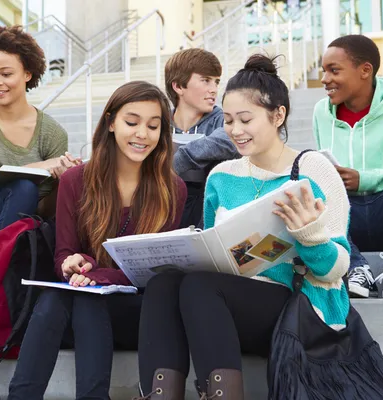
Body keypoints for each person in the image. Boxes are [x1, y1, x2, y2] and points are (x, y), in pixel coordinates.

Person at [137, 55, 350, 399]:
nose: (235, 130)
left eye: (246, 119)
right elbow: (215, 253)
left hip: (298, 306)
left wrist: (309, 236)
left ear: (278, 115)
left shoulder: (313, 170)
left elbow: (337, 269)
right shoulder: (222, 176)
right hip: (228, 303)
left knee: (200, 287)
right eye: (229, 120)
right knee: (164, 284)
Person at [6, 81, 187, 400]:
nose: (142, 134)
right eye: (132, 122)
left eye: (153, 126)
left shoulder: (172, 189)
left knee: (82, 296)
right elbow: (64, 252)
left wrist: (97, 275)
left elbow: (153, 272)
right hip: (79, 309)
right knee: (61, 297)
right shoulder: (76, 181)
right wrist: (70, 263)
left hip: (138, 313)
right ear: (111, 123)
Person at [0, 25, 80, 246]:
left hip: (23, 231)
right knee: (24, 186)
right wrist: (42, 166)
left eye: (6, 74)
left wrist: (63, 181)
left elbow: (43, 209)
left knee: (29, 192)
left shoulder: (52, 132)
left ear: (27, 74)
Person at [313, 34, 383, 298]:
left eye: (334, 70)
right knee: (307, 170)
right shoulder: (321, 113)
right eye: (324, 71)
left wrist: (364, 179)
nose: (325, 79)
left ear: (365, 70)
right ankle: (356, 267)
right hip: (345, 218)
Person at [166, 48, 240, 228]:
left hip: (207, 211)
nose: (214, 89)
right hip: (165, 204)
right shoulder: (159, 122)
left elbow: (228, 138)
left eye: (216, 82)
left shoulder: (223, 120)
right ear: (178, 86)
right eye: (206, 81)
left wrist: (177, 161)